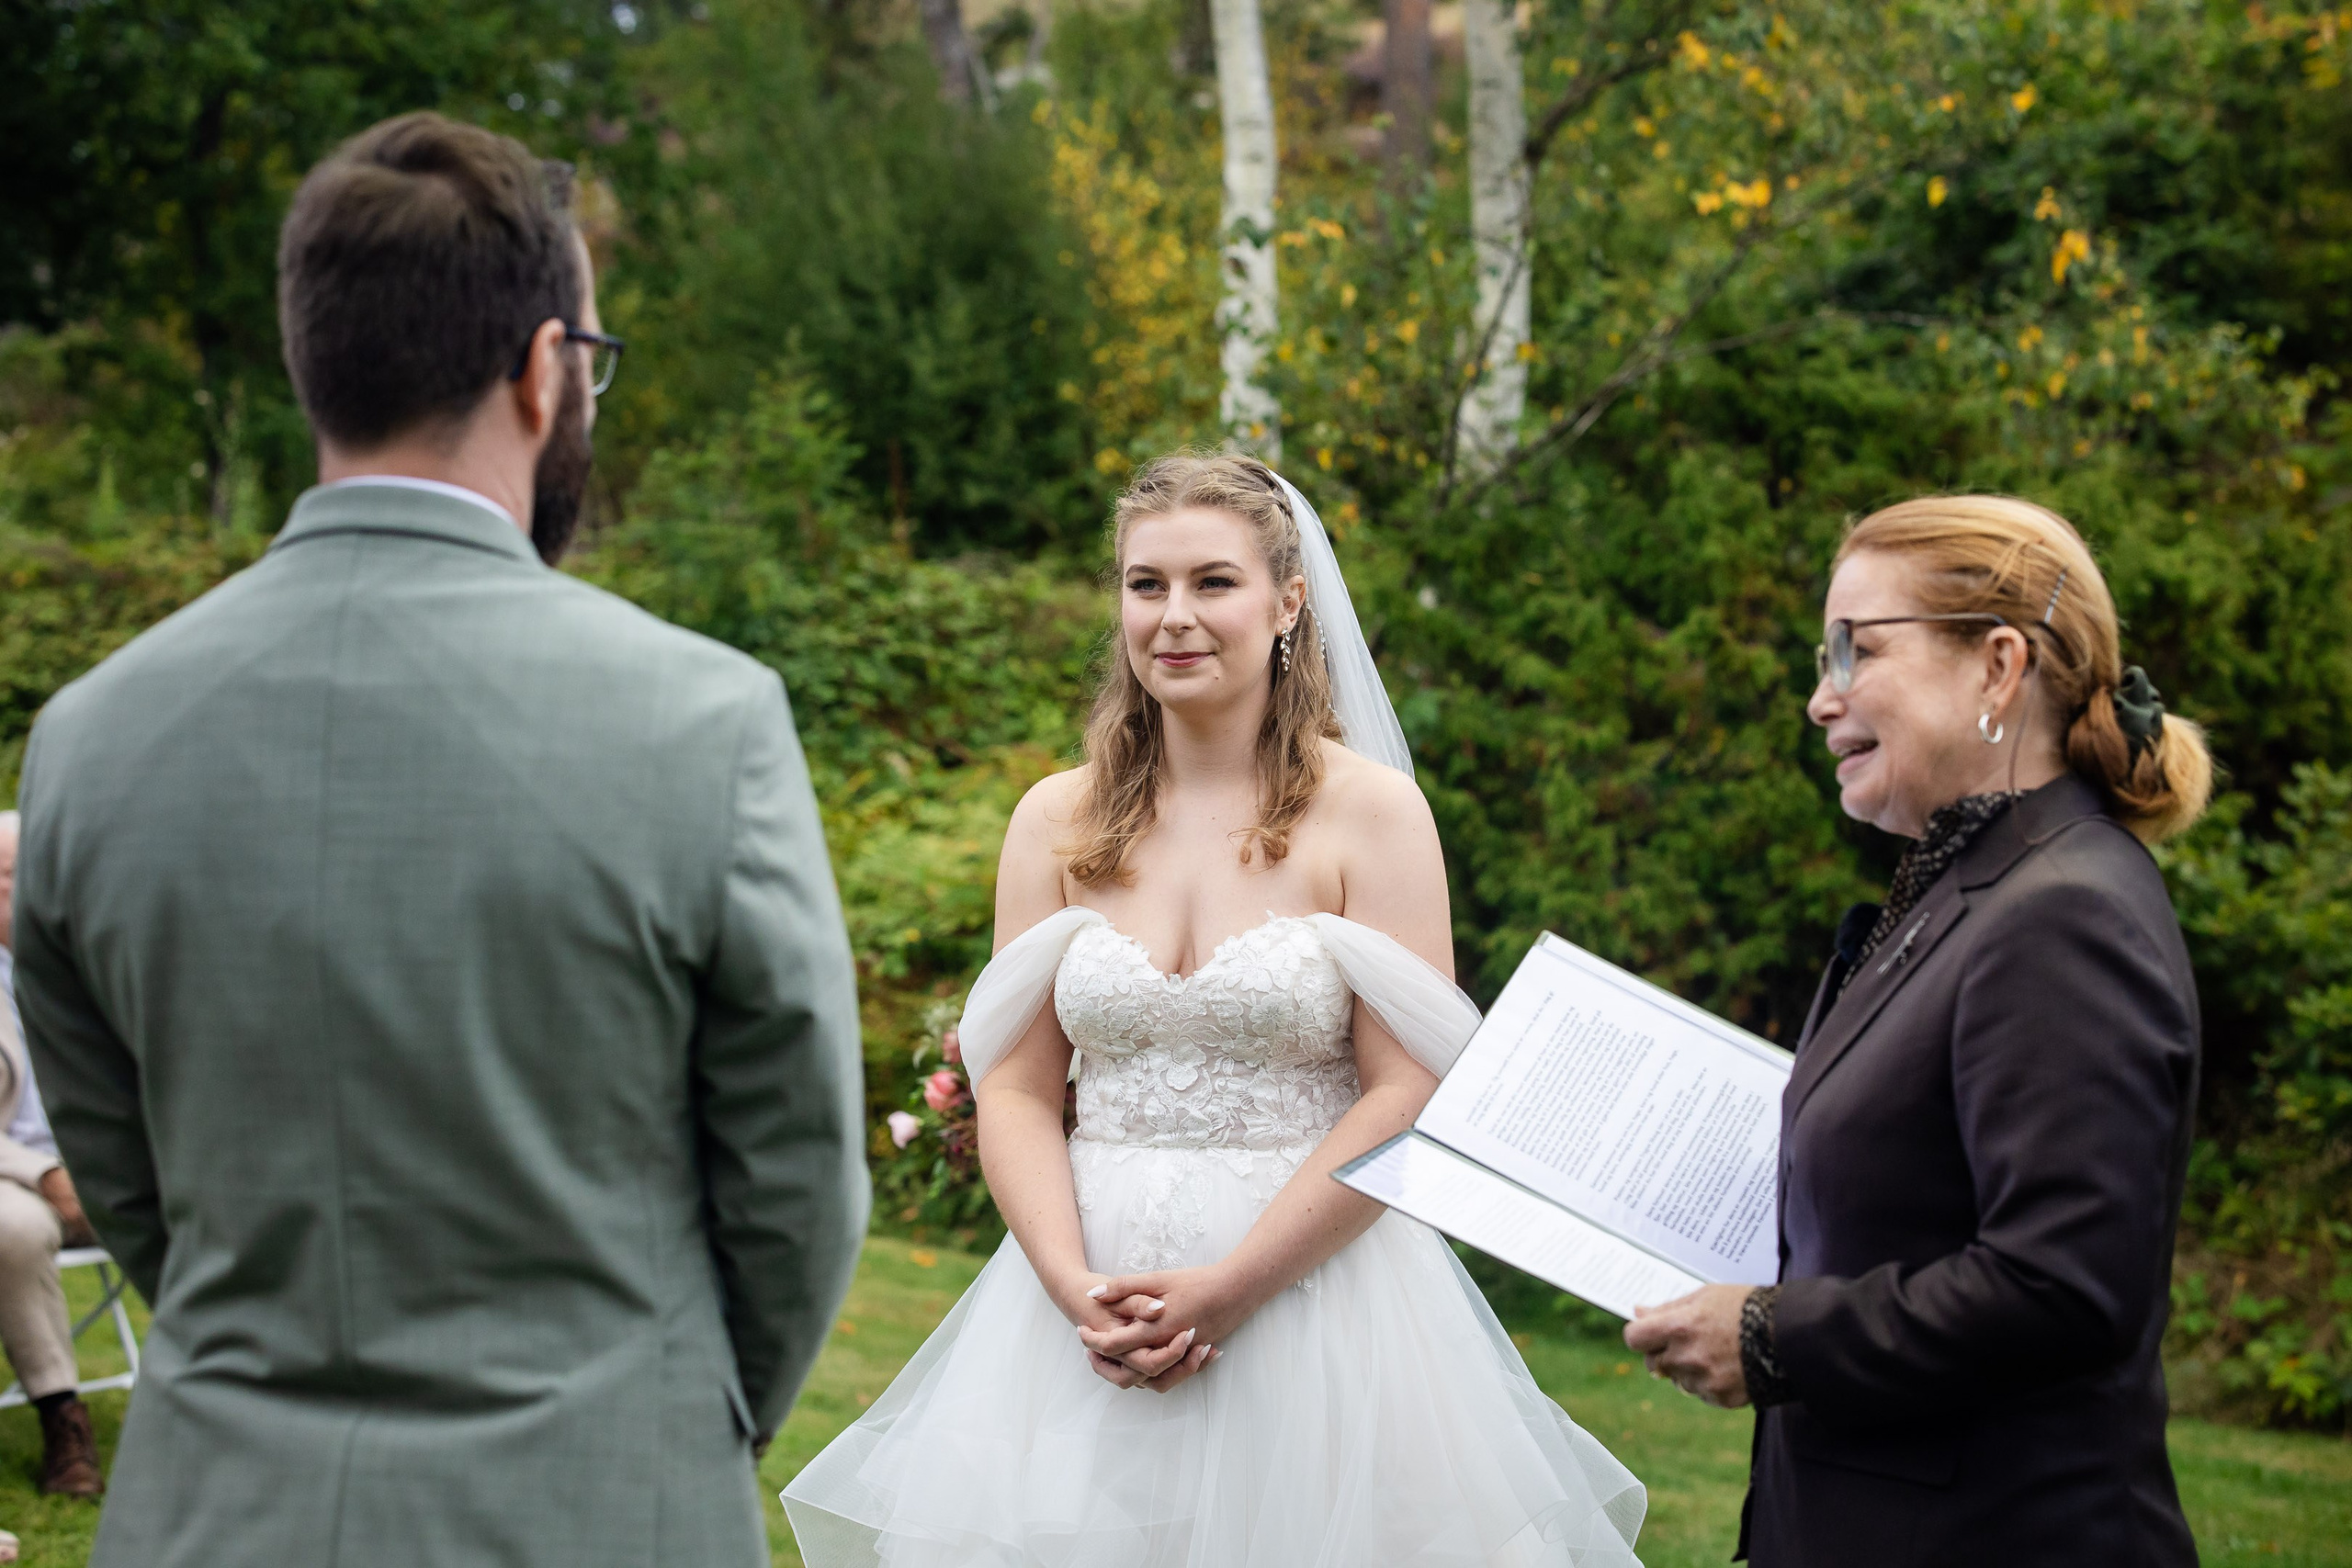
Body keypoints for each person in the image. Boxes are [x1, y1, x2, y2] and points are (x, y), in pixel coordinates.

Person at [10, 113, 868, 1568]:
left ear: (314, 364)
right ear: (543, 369)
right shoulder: (704, 717)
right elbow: (797, 1185)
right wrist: (672, 1412)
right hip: (601, 1504)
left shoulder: (90, 735)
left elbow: (127, 1179)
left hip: (219, 1507)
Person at [784, 454, 1645, 1566]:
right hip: (1082, 1306)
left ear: (1288, 602)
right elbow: (1016, 1086)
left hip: (1314, 1304)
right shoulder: (1054, 820)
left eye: (1213, 582)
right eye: (1145, 584)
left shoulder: (1373, 816)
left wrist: (1232, 1289)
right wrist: (1070, 1285)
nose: (1174, 617)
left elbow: (1408, 1087)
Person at [1625, 495, 2209, 1565]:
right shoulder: (1967, 889)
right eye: (1824, 657)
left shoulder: (2063, 913)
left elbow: (2062, 1286)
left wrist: (1771, 1338)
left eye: (1856, 650)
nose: (1820, 698)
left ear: (1997, 666)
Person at [0, 811, 102, 1500]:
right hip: (14, 1175)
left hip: (108, 1171)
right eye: (9, 874)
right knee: (12, 1227)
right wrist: (47, 1174)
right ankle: (62, 1418)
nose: (24, 889)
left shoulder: (91, 964)